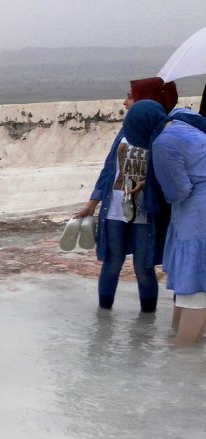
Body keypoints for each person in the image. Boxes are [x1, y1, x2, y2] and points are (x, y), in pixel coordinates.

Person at [72, 78, 179, 312]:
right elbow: (109, 169)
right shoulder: (124, 131)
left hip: (145, 212)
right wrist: (92, 203)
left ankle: (146, 326)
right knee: (111, 262)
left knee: (144, 267)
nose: (124, 102)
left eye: (130, 96)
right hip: (115, 209)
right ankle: (103, 320)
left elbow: (170, 173)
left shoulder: (165, 133)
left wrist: (147, 182)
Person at [122, 100, 206, 346]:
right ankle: (187, 341)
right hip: (197, 208)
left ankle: (183, 351)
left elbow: (178, 190)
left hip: (198, 212)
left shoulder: (163, 143)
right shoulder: (181, 123)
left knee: (195, 283)